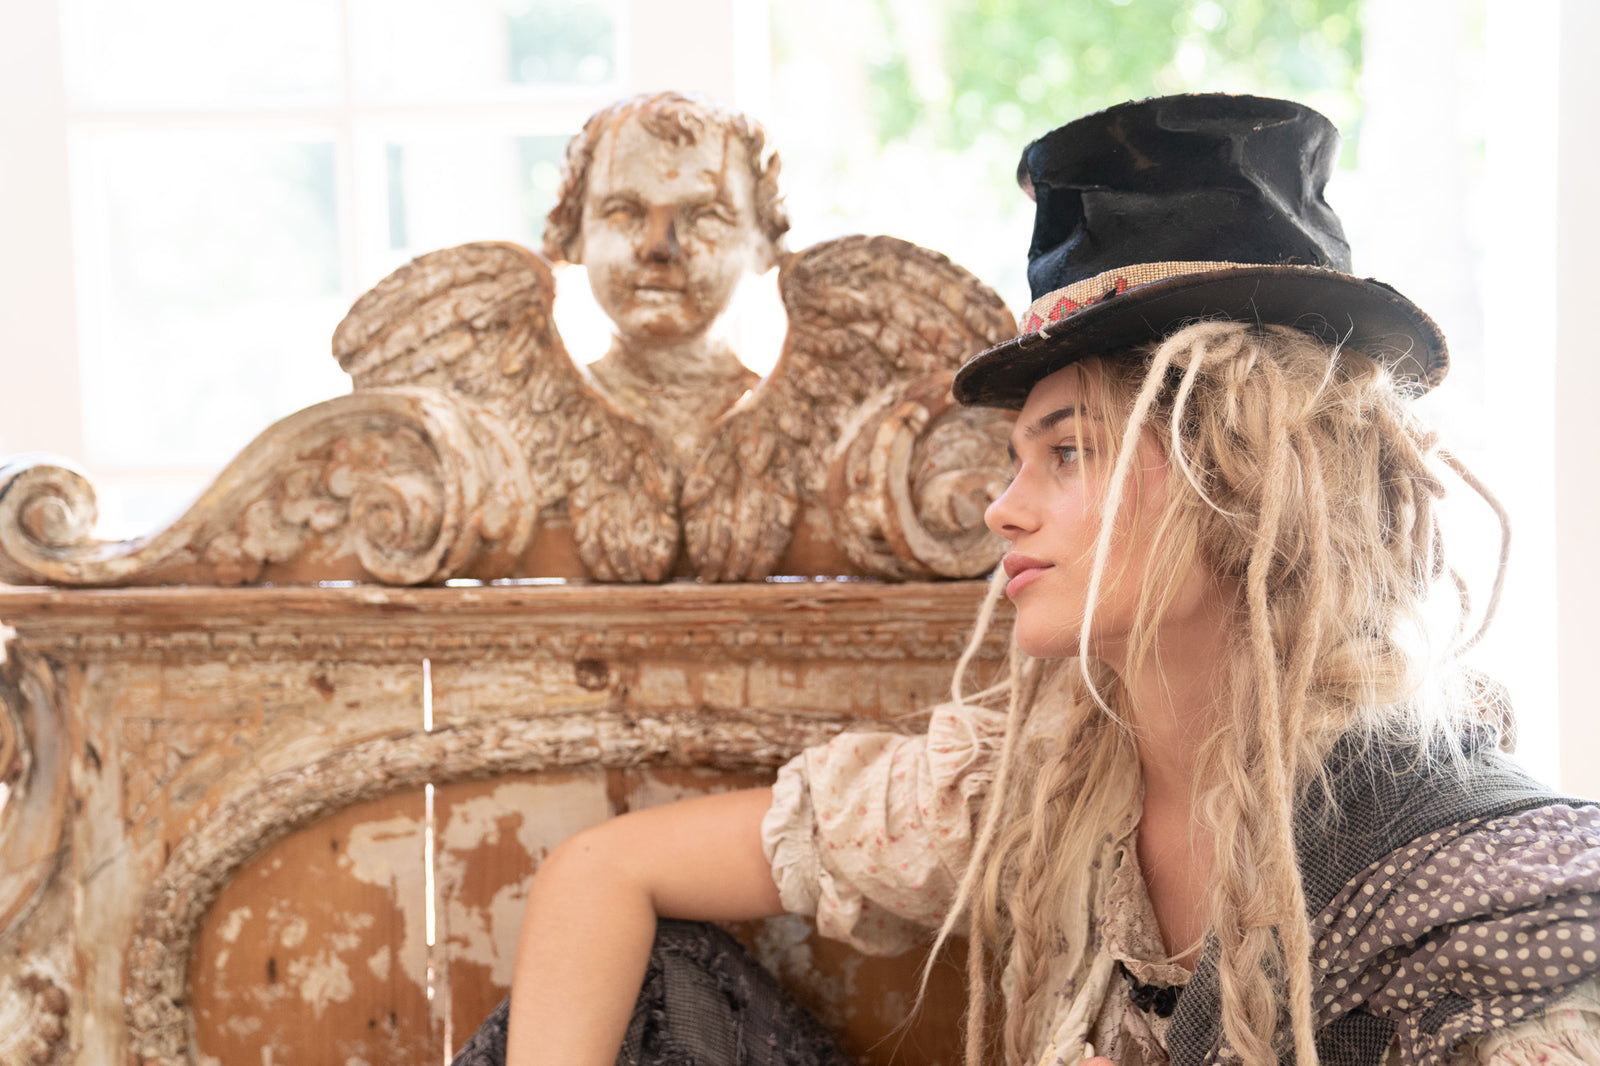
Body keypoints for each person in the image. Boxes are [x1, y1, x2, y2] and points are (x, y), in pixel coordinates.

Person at [457, 94, 1600, 1066]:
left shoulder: (1474, 896)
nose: (1002, 509)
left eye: (1067, 451)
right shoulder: (1047, 780)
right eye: (1015, 459)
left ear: (1239, 474)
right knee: (664, 987)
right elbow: (603, 872)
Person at [543, 91, 789, 464]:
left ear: (764, 242)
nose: (659, 246)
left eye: (705, 215)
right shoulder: (532, 430)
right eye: (624, 211)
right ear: (574, 235)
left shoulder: (797, 431)